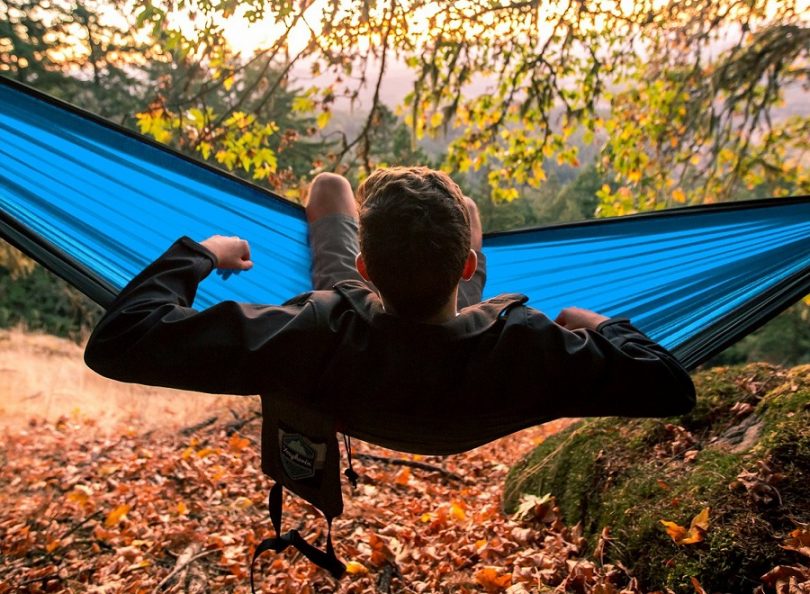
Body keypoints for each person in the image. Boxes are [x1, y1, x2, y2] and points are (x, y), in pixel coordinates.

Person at [85, 167, 695, 455]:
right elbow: (672, 386)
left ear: (364, 272)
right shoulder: (531, 349)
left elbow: (119, 340)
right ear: (467, 270)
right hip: (470, 373)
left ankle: (407, 229)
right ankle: (457, 229)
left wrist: (204, 253)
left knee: (327, 187)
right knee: (470, 210)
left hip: (355, 362)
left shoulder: (309, 330)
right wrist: (583, 320)